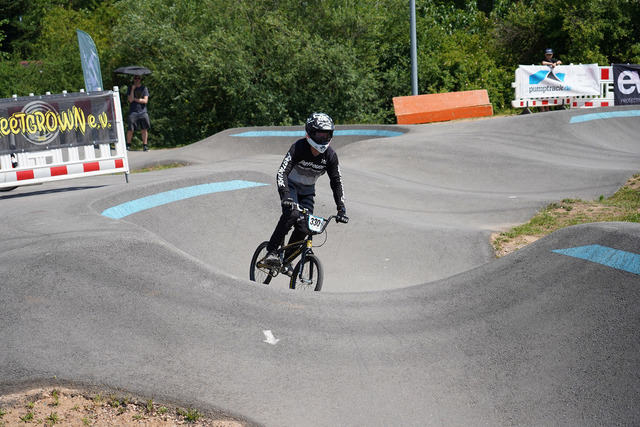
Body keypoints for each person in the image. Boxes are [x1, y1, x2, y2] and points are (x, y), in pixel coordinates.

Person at [263, 112, 348, 266]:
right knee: (292, 214)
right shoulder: (298, 147)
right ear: (310, 132)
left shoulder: (330, 156)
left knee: (304, 227)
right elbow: (282, 172)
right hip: (291, 186)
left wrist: (341, 209)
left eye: (327, 135)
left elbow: (336, 182)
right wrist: (286, 195)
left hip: (308, 191)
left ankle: (286, 260)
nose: (323, 138)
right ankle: (272, 251)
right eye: (320, 134)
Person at [126, 75, 150, 151]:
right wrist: (132, 90)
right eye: (135, 78)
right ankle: (128, 145)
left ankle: (145, 145)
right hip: (133, 112)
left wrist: (135, 99)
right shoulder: (130, 88)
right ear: (133, 79)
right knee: (130, 129)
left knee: (144, 129)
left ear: (140, 79)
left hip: (143, 111)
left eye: (138, 78)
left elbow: (145, 101)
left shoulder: (144, 88)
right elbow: (130, 100)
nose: (137, 80)